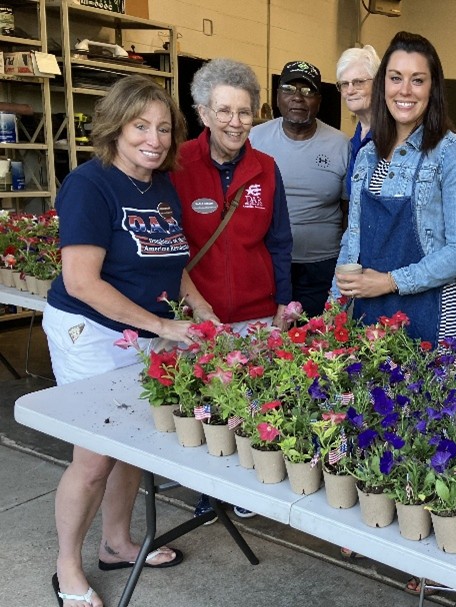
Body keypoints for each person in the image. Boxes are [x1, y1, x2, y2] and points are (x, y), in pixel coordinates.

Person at [43, 75, 218, 607]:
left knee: (132, 446)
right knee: (95, 457)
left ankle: (116, 543)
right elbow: (81, 282)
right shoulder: (90, 184)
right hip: (90, 331)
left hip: (142, 331)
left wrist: (200, 306)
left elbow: (171, 258)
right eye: (141, 125)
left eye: (164, 128)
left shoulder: (159, 185)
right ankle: (66, 567)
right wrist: (166, 327)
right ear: (115, 126)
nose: (155, 138)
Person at [171, 58, 293, 522]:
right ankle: (205, 486)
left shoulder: (266, 168)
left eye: (244, 112)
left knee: (248, 405)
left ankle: (244, 485)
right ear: (203, 112)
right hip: (198, 315)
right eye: (224, 111)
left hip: (254, 312)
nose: (235, 122)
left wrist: (283, 301)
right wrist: (187, 306)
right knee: (202, 406)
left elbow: (280, 240)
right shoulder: (178, 163)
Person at [333, 31, 456, 349]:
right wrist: (333, 312)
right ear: (382, 84)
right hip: (368, 315)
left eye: (418, 80)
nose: (404, 90)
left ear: (433, 88)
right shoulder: (367, 154)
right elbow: (352, 238)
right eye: (395, 77)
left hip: (429, 317)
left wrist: (389, 282)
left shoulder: (449, 151)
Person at [249, 60, 349, 317]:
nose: (297, 98)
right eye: (289, 88)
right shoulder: (253, 139)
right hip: (267, 263)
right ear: (278, 95)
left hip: (322, 266)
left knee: (318, 343)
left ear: (319, 99)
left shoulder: (340, 145)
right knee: (268, 342)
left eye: (307, 91)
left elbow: (350, 210)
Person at [336, 44, 380, 196]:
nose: (350, 91)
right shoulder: (355, 139)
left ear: (378, 84)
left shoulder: (393, 135)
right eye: (344, 84)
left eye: (358, 82)